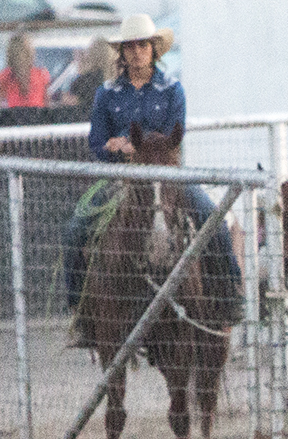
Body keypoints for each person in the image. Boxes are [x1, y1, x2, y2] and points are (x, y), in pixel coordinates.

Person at [63, 14, 241, 335]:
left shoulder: (173, 90)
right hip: (121, 178)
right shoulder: (106, 93)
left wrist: (143, 149)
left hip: (166, 177)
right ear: (122, 52)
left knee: (212, 218)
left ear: (153, 48)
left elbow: (176, 136)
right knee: (76, 227)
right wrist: (112, 146)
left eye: (142, 45)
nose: (136, 52)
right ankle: (80, 309)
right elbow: (95, 142)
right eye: (129, 46)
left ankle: (229, 295)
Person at [0, 32, 50, 109]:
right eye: (18, 53)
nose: (21, 57)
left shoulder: (41, 75)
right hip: (14, 119)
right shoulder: (4, 77)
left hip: (34, 119)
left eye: (23, 53)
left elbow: (47, 108)